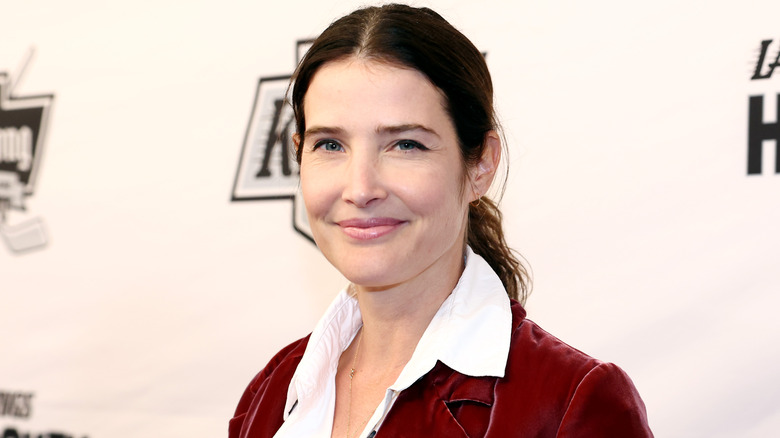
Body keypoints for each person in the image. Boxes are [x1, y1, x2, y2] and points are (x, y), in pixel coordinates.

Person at [229, 4, 653, 437]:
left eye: (406, 144)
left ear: (480, 166)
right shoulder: (270, 392)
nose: (360, 188)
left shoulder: (570, 404)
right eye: (331, 145)